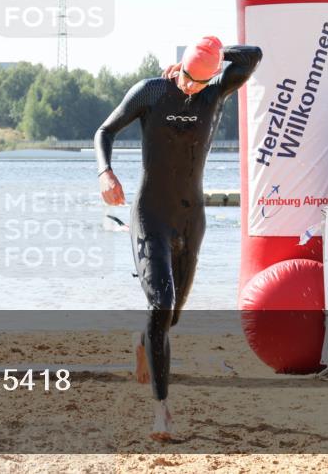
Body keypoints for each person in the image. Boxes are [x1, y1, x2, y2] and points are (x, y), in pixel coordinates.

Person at [94, 35, 262, 441]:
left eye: (197, 81)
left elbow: (254, 55)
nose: (188, 87)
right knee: (162, 304)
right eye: (186, 77)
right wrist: (105, 172)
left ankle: (144, 338)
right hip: (150, 215)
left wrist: (214, 58)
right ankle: (161, 413)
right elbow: (105, 130)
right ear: (179, 67)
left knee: (172, 316)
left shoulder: (217, 90)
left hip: (191, 221)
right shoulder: (152, 90)